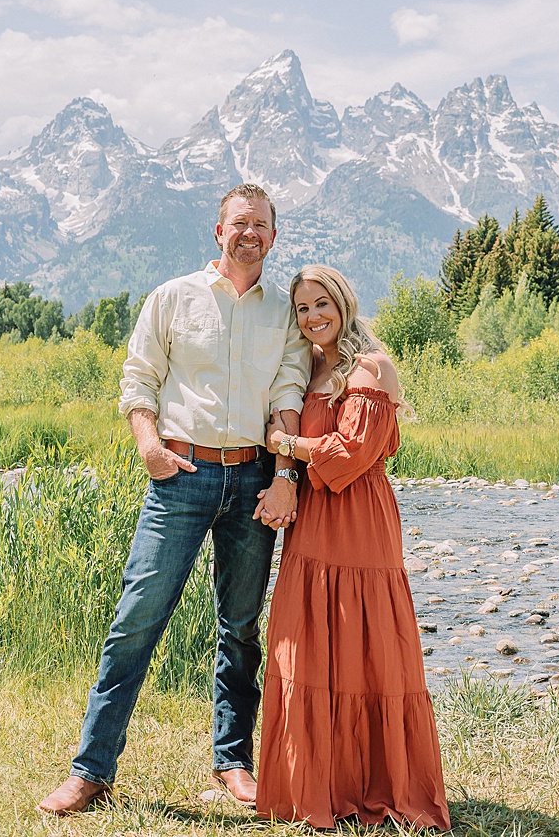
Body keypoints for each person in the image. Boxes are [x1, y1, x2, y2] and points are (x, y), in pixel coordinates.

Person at [38, 183, 310, 816]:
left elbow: (289, 392)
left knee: (241, 628)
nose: (250, 233)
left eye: (261, 224)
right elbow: (140, 378)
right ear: (219, 232)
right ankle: (91, 771)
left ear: (274, 234)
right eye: (239, 223)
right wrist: (149, 447)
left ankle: (232, 762)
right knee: (137, 619)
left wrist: (287, 475)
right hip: (179, 476)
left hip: (253, 479)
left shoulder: (284, 311)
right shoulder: (172, 297)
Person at [258, 264, 451, 831]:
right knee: (309, 640)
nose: (313, 317)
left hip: (357, 522)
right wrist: (287, 463)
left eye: (322, 304)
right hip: (313, 522)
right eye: (302, 309)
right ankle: (313, 784)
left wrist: (287, 444)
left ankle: (375, 783)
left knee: (364, 643)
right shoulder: (312, 368)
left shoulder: (370, 367)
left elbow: (348, 453)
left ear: (343, 304)